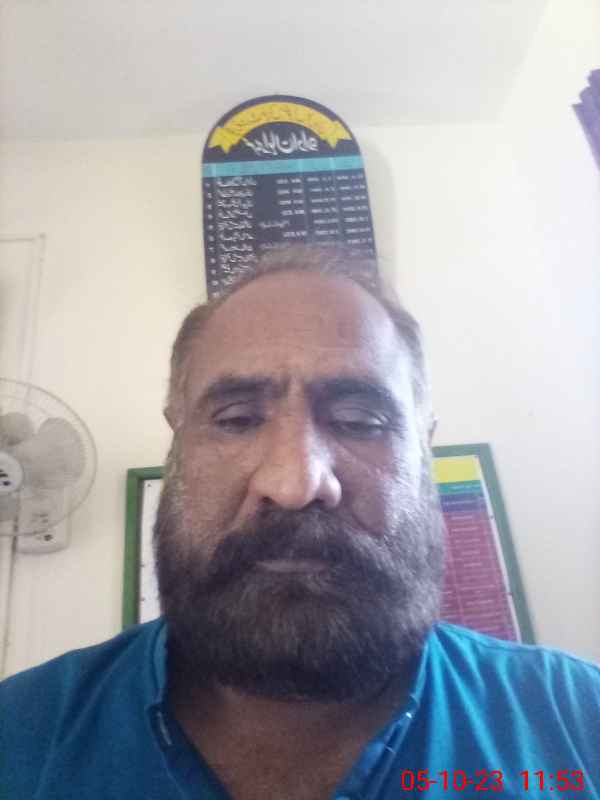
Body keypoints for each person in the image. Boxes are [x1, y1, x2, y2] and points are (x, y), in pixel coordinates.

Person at [1, 245, 599, 800]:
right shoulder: (18, 736)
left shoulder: (580, 722)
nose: (296, 484)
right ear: (176, 448)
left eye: (361, 421)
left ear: (425, 449)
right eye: (237, 419)